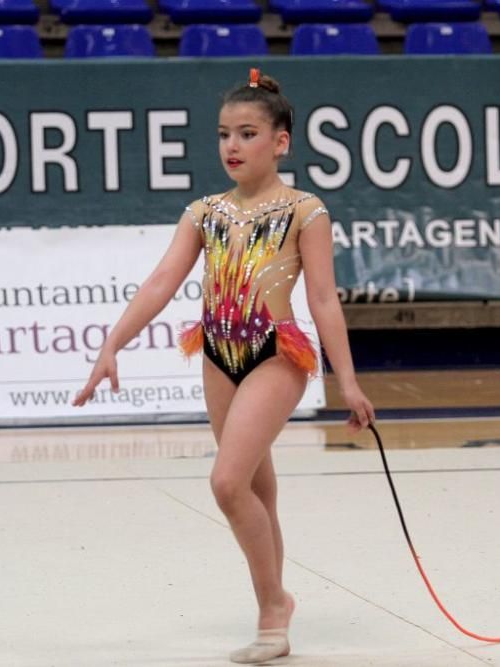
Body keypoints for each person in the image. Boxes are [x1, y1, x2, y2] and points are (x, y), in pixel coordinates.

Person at [74, 67, 375, 664]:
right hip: (218, 354)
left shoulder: (305, 211)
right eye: (223, 135)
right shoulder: (205, 211)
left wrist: (348, 378)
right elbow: (163, 279)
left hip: (275, 355)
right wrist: (113, 343)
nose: (232, 146)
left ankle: (271, 609)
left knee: (226, 482)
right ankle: (277, 603)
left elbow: (322, 299)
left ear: (280, 141)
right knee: (257, 490)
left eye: (246, 134)